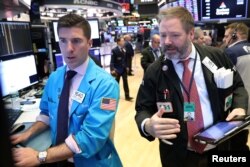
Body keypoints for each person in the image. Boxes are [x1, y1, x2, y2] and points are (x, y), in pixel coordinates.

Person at [135, 6, 248, 167]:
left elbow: (237, 87)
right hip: (178, 156)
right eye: (163, 35)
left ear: (191, 34)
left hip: (219, 148)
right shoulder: (155, 71)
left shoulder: (216, 57)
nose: (167, 41)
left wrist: (239, 107)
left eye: (175, 35)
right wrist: (147, 126)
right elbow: (142, 109)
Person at [11, 13, 122, 167]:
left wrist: (40, 156)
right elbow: (46, 113)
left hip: (88, 162)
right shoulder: (55, 77)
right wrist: (27, 134)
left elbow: (91, 139)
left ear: (89, 43)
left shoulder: (107, 86)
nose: (69, 48)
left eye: (76, 41)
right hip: (57, 158)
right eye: (63, 41)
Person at [223, 22, 250, 151]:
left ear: (235, 35)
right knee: (243, 139)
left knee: (233, 144)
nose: (224, 39)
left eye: (227, 36)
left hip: (236, 104)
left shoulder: (230, 52)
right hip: (246, 103)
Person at [110, 36, 133, 101]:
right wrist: (112, 69)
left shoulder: (124, 49)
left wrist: (127, 66)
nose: (123, 42)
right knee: (116, 84)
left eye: (123, 41)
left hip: (124, 69)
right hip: (117, 70)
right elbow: (112, 61)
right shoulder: (114, 50)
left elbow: (125, 59)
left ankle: (127, 96)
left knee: (126, 83)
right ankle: (114, 96)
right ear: (118, 42)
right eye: (122, 41)